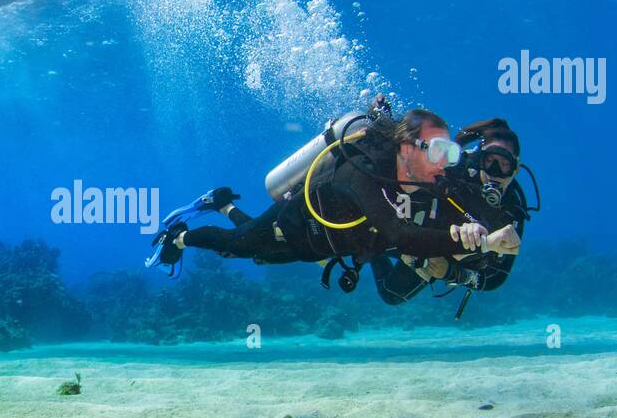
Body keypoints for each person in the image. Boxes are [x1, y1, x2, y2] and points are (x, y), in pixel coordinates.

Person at [148, 108, 522, 281]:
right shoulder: (360, 175)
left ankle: (221, 202)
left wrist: (495, 232)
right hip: (297, 226)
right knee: (238, 246)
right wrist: (483, 243)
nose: (446, 165)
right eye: (439, 153)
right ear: (407, 149)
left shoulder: (429, 176)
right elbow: (401, 235)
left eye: (450, 154)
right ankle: (178, 236)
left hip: (326, 247)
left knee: (259, 251)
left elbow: (469, 202)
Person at [369, 118, 529, 305]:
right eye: (490, 161)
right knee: (368, 238)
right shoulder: (455, 169)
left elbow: (495, 278)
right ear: (479, 159)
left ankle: (374, 254)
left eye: (504, 165)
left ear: (515, 169)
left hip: (445, 259)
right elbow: (414, 152)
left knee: (391, 295)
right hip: (416, 231)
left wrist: (452, 272)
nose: (494, 171)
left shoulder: (512, 209)